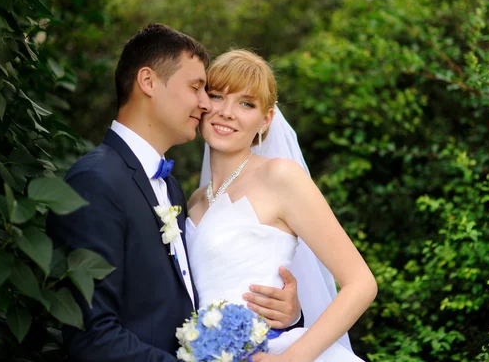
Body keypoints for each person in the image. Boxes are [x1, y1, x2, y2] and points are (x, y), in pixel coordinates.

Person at [46, 24, 301, 362]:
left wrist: (286, 315)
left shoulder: (171, 188)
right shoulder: (95, 180)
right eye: (197, 88)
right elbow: (92, 335)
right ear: (148, 81)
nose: (205, 104)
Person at [186, 50, 378, 361]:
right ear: (202, 104)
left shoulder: (280, 176)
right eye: (218, 96)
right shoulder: (194, 201)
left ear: (266, 120)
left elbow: (361, 283)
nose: (227, 112)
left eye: (246, 103)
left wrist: (290, 359)